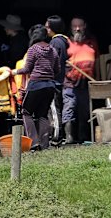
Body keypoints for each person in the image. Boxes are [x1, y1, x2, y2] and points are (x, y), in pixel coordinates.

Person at [11, 25, 59, 151]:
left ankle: (33, 142)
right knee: (42, 114)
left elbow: (27, 69)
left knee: (26, 112)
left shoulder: (33, 49)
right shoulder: (53, 50)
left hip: (36, 84)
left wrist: (14, 72)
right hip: (50, 85)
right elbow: (57, 69)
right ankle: (44, 144)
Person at [63, 17, 98, 144]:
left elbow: (98, 61)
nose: (77, 29)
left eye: (80, 26)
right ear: (70, 28)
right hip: (70, 83)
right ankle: (69, 137)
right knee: (69, 107)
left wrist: (97, 79)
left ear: (85, 26)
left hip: (86, 83)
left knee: (85, 111)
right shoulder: (66, 42)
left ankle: (83, 136)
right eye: (74, 26)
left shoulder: (92, 42)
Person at [45, 15, 69, 143]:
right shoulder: (65, 40)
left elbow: (53, 62)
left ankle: (56, 137)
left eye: (48, 27)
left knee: (54, 110)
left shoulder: (55, 42)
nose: (46, 29)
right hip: (62, 80)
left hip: (55, 81)